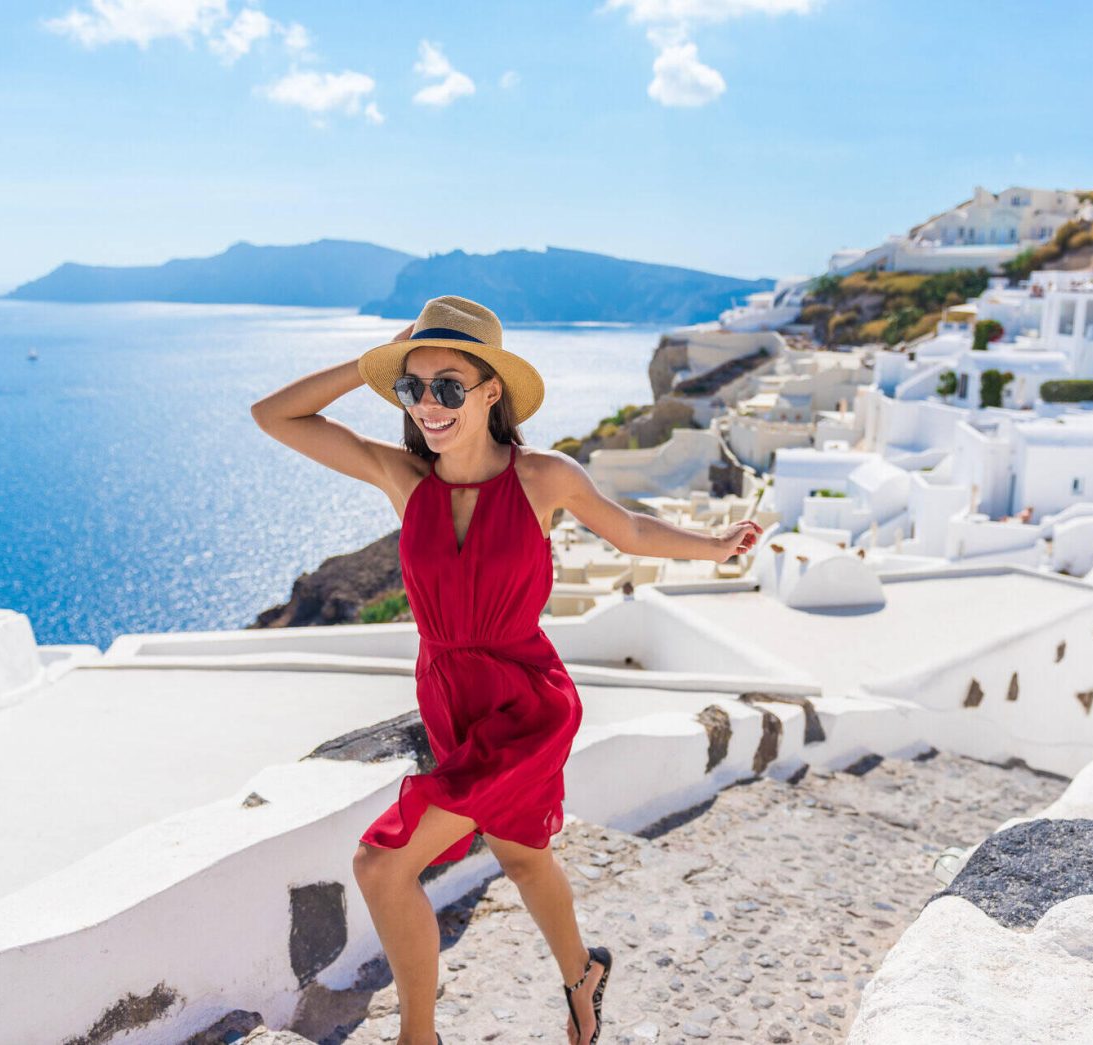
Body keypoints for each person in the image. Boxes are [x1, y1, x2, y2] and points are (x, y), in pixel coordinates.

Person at [250, 295, 762, 1045]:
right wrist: (373, 362)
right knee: (523, 855)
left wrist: (715, 547)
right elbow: (275, 416)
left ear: (492, 391)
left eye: (449, 386)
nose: (429, 404)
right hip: (451, 702)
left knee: (382, 864)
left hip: (526, 706)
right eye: (413, 387)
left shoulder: (542, 478)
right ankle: (582, 973)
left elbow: (629, 529)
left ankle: (416, 1037)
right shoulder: (404, 478)